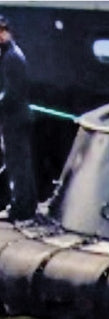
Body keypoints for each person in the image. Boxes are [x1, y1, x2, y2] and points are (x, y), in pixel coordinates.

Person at [0, 14, 35, 220]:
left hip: (15, 119)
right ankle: (24, 204)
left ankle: (20, 207)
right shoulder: (11, 55)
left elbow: (12, 93)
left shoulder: (12, 58)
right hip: (16, 117)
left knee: (17, 165)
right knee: (19, 164)